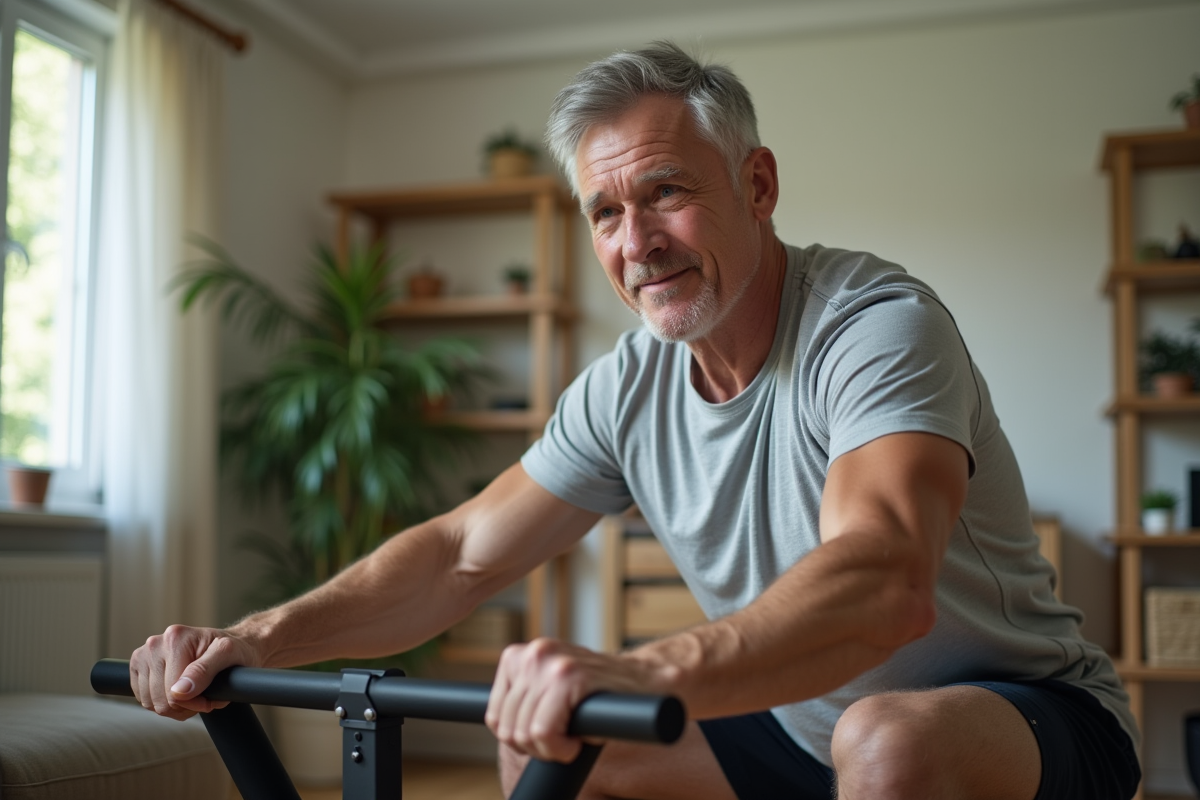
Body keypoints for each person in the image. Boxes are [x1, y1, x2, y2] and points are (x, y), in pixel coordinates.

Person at [131, 41, 1141, 799]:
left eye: (665, 193)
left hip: (1034, 721)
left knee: (887, 742)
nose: (637, 242)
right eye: (605, 213)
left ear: (758, 185)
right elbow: (461, 554)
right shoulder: (629, 383)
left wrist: (637, 665)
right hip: (795, 728)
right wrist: (252, 636)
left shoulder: (876, 328)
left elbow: (884, 580)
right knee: (553, 733)